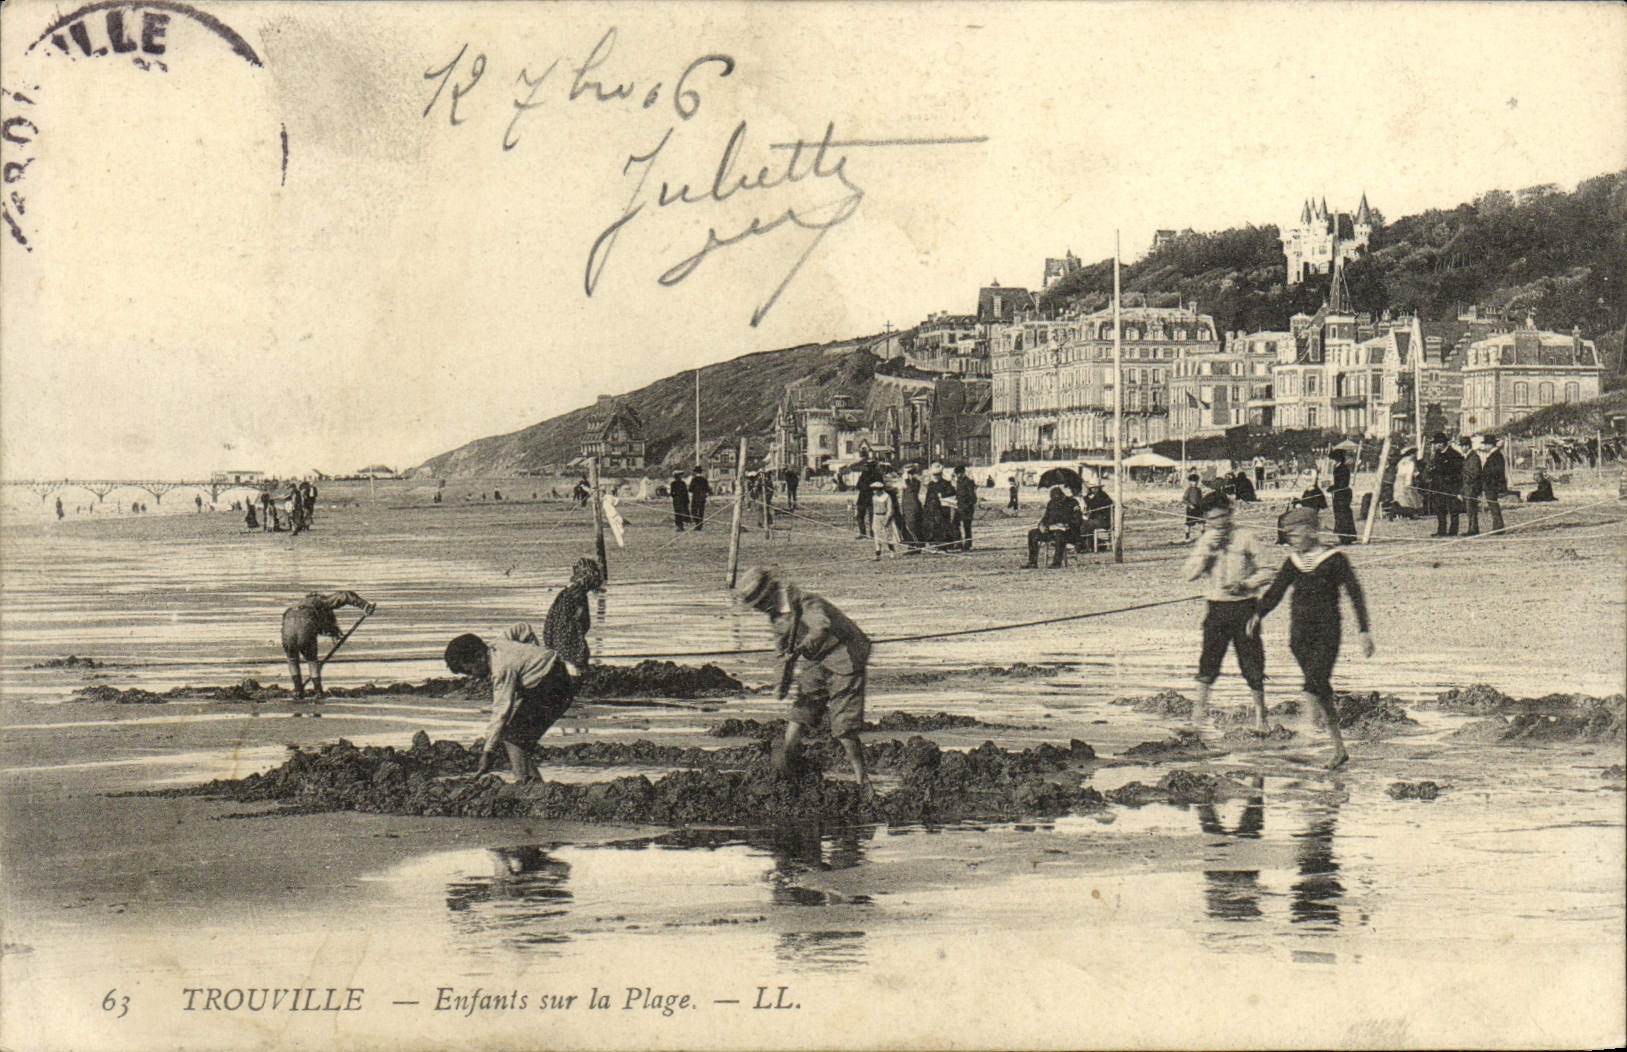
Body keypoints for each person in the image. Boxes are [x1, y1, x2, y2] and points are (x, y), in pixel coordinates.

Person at [1251, 507, 1374, 771]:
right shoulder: (1292, 562)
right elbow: (1275, 593)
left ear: (1311, 530)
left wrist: (1363, 632)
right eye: (1289, 535)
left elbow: (1355, 593)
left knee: (1315, 680)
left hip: (1327, 631)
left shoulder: (1334, 558)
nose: (1292, 539)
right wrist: (1257, 615)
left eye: (1295, 534)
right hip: (1299, 636)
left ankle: (1307, 733)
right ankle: (1339, 748)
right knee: (1320, 688)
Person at [735, 567, 873, 799]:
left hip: (845, 656)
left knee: (843, 726)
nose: (758, 609)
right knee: (801, 710)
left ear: (769, 594)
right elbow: (782, 652)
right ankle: (787, 763)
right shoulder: (775, 616)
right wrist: (781, 683)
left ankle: (863, 781)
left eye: (758, 603)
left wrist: (800, 649)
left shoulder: (806, 601)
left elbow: (821, 626)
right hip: (816, 659)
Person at [1183, 494, 1274, 732]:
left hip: (1245, 607)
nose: (1219, 523)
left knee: (1252, 663)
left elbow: (1268, 570)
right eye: (1213, 519)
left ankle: (1261, 719)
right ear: (1205, 519)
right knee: (1208, 663)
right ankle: (1196, 720)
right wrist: (1207, 552)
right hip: (1216, 608)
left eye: (1223, 516)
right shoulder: (1204, 541)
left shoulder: (1246, 537)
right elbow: (1189, 574)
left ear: (1231, 512)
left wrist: (1246, 584)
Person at [444, 623, 574, 783]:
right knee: (516, 738)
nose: (473, 677)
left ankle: (523, 783)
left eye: (470, 671)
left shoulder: (501, 670)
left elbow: (501, 712)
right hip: (555, 675)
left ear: (480, 656)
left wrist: (488, 751)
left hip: (554, 687)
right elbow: (522, 628)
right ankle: (535, 784)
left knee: (513, 738)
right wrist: (535, 654)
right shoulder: (499, 643)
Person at [281, 591, 375, 700]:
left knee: (292, 659)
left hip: (287, 622)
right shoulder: (321, 601)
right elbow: (344, 596)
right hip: (305, 621)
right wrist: (364, 605)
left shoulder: (297, 605)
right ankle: (318, 691)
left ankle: (298, 691)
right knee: (312, 660)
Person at [543, 557, 602, 698]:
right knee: (575, 669)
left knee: (565, 668)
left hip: (554, 637)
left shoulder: (565, 593)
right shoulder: (579, 594)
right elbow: (580, 620)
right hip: (568, 637)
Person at [1023, 486, 1083, 568]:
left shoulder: (1073, 503)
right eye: (1054, 499)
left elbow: (1078, 520)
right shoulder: (1051, 503)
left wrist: (1066, 524)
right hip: (1051, 530)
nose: (1056, 501)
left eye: (1058, 499)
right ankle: (1032, 562)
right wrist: (1041, 525)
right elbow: (1045, 517)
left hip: (1069, 533)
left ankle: (1056, 563)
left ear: (1063, 496)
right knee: (1032, 533)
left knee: (1059, 534)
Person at [1425, 432, 1463, 536]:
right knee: (1440, 509)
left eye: (1438, 443)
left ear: (1443, 443)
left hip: (1450, 486)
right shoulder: (1437, 454)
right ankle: (1441, 530)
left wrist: (1456, 486)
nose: (1437, 445)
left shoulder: (1454, 454)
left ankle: (1453, 531)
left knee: (1453, 509)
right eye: (1435, 443)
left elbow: (1458, 471)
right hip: (1438, 486)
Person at [1476, 434, 1507, 534]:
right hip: (1491, 484)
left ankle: (1498, 526)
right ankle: (1497, 525)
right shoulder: (1494, 455)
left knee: (1493, 505)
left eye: (1486, 444)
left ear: (1490, 445)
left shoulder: (1496, 455)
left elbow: (1496, 471)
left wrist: (1487, 477)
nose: (1484, 446)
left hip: (1492, 484)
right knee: (1492, 505)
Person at [922, 463, 954, 550]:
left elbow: (951, 494)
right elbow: (928, 497)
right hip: (931, 509)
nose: (936, 476)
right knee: (931, 527)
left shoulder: (946, 483)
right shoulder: (931, 484)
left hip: (942, 509)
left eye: (937, 475)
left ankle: (943, 545)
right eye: (934, 475)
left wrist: (943, 496)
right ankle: (934, 544)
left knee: (943, 527)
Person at [1329, 450, 1357, 544]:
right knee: (1339, 515)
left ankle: (1346, 537)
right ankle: (1342, 536)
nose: (1330, 462)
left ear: (1337, 460)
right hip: (1339, 493)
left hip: (1343, 494)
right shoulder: (1338, 468)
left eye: (1332, 460)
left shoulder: (1342, 469)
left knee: (1343, 515)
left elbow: (1342, 483)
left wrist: (1332, 488)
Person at [1458, 435, 1484, 536]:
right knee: (1469, 509)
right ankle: (1471, 527)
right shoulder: (1468, 457)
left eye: (1463, 446)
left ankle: (1473, 529)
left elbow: (1475, 473)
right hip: (1467, 487)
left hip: (1472, 487)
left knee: (1471, 508)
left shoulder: (1473, 457)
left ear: (1467, 446)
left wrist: (1466, 478)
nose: (1462, 448)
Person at [854, 452, 883, 537]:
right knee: (871, 517)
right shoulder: (878, 475)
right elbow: (881, 486)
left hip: (863, 497)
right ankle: (872, 533)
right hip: (872, 497)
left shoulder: (864, 474)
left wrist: (865, 487)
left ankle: (863, 533)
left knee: (861, 516)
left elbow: (858, 486)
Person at [867, 481, 899, 559]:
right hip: (876, 517)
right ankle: (878, 553)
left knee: (887, 535)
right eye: (873, 489)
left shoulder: (886, 496)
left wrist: (887, 519)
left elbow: (890, 509)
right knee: (877, 535)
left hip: (884, 517)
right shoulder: (874, 497)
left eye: (875, 489)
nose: (874, 491)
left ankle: (892, 551)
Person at [952, 465, 978, 552]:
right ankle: (959, 543)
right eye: (957, 474)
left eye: (959, 473)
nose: (958, 475)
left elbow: (973, 497)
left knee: (967, 526)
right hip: (959, 507)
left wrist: (968, 506)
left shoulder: (968, 482)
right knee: (955, 524)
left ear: (963, 473)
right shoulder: (958, 482)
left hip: (967, 508)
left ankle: (967, 544)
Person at [1081, 483, 1114, 552]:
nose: (1093, 489)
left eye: (1095, 488)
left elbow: (1094, 504)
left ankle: (1087, 546)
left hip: (1104, 520)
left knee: (1086, 525)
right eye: (1092, 488)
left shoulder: (1102, 496)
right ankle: (1087, 545)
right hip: (1097, 519)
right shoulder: (1092, 496)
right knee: (1084, 524)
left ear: (1098, 488)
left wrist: (1087, 498)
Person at [899, 468, 924, 552]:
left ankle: (918, 545)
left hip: (913, 507)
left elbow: (911, 489)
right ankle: (911, 545)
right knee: (907, 527)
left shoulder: (915, 482)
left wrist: (906, 479)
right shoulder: (906, 483)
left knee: (913, 526)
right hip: (906, 507)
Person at [1182, 472, 1204, 542]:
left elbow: (1200, 499)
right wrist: (1190, 505)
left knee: (1202, 522)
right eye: (1193, 481)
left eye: (1196, 481)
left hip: (1198, 508)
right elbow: (1184, 500)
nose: (1194, 483)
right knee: (1188, 524)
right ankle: (1187, 537)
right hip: (1190, 509)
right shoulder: (1188, 490)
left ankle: (1203, 537)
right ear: (1190, 482)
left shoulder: (1199, 490)